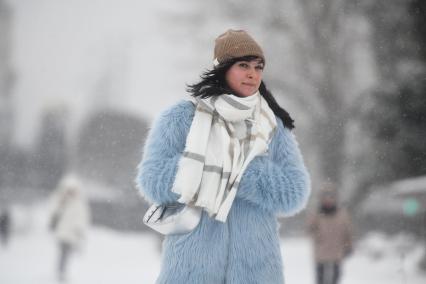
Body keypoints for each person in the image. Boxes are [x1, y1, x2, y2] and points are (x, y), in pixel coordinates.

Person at [136, 29, 311, 283]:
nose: (253, 73)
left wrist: (243, 171)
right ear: (223, 68)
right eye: (243, 65)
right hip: (191, 271)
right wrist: (205, 165)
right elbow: (151, 180)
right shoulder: (181, 118)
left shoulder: (272, 125)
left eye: (258, 66)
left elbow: (296, 192)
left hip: (256, 272)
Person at [307, 183, 352, 284]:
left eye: (331, 196)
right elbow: (310, 230)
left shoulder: (342, 214)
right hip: (321, 252)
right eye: (325, 196)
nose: (328, 199)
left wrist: (349, 246)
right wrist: (317, 236)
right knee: (320, 279)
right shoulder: (316, 214)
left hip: (337, 251)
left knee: (335, 278)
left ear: (335, 198)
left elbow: (347, 232)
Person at [49, 175, 90, 282]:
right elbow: (53, 213)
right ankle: (61, 272)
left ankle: (62, 271)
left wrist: (80, 230)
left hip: (73, 233)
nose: (70, 192)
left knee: (67, 253)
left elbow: (82, 217)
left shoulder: (79, 203)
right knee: (64, 253)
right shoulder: (59, 200)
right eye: (69, 190)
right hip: (61, 233)